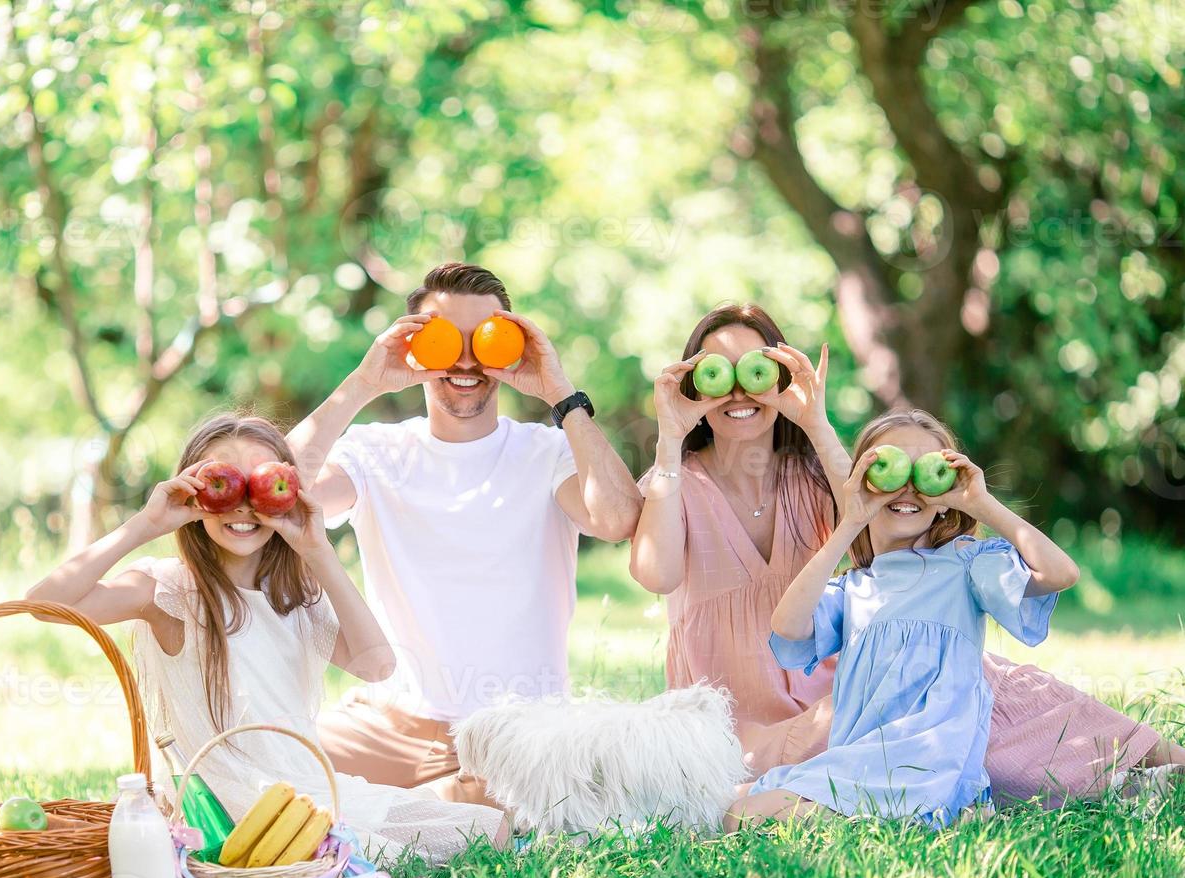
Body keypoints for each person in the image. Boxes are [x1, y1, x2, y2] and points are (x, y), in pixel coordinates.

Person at [631, 302, 1181, 807]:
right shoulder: (673, 480)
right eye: (716, 372)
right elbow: (657, 574)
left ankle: (1149, 764)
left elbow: (876, 507)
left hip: (861, 687)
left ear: (777, 375)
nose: (737, 390)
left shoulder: (814, 477)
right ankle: (1106, 784)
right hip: (757, 723)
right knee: (939, 716)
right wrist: (670, 435)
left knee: (989, 684)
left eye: (752, 369)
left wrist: (813, 418)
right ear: (693, 384)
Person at [26, 413, 506, 863]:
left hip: (306, 793)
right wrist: (145, 526)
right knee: (399, 846)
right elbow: (44, 605)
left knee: (493, 829)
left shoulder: (294, 596)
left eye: (259, 483)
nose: (241, 504)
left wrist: (317, 550)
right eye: (222, 481)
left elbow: (377, 665)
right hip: (227, 809)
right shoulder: (167, 591)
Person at [289, 262, 642, 805]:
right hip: (395, 726)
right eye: (443, 338)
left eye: (485, 339)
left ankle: (433, 804)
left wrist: (561, 393)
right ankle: (429, 801)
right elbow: (280, 492)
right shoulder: (375, 453)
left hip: (515, 732)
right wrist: (363, 384)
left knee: (495, 806)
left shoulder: (546, 452)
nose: (466, 359)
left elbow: (618, 519)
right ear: (414, 344)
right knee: (270, 761)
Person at [725, 409, 1074, 829]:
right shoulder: (854, 589)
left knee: (741, 816)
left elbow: (1060, 573)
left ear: (945, 497)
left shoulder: (965, 566)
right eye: (892, 467)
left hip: (923, 767)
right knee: (732, 798)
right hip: (859, 761)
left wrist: (981, 504)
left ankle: (933, 815)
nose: (907, 486)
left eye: (925, 470)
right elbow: (787, 626)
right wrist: (851, 521)